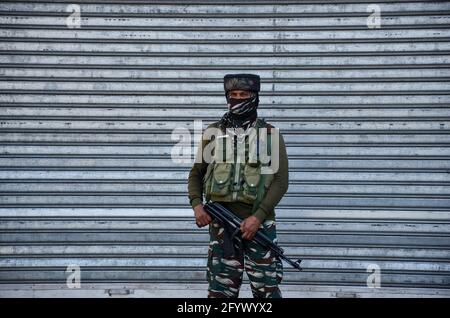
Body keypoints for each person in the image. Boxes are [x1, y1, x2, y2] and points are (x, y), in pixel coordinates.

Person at [187, 73, 289, 298]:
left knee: (267, 291)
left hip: (259, 225)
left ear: (254, 98)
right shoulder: (213, 133)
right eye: (233, 95)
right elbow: (196, 174)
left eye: (244, 95)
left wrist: (258, 217)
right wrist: (197, 205)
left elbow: (281, 181)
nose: (238, 99)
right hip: (221, 225)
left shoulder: (270, 135)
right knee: (220, 292)